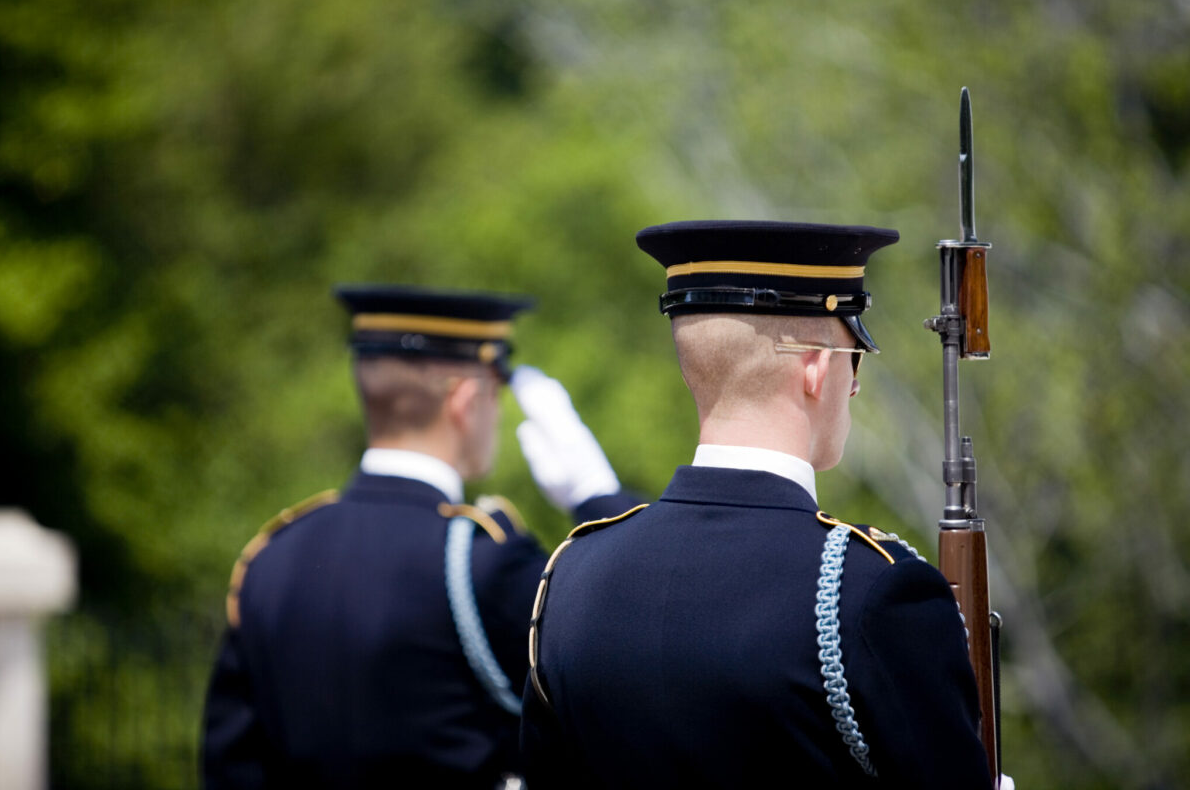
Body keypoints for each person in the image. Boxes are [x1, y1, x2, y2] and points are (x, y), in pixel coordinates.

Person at [521, 221, 994, 789]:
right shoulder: (874, 591)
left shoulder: (571, 578)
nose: (855, 385)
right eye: (855, 358)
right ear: (817, 367)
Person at [202, 284, 637, 789]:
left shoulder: (270, 558)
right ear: (465, 399)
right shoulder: (481, 565)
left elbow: (230, 765)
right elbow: (632, 668)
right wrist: (600, 500)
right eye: (494, 393)